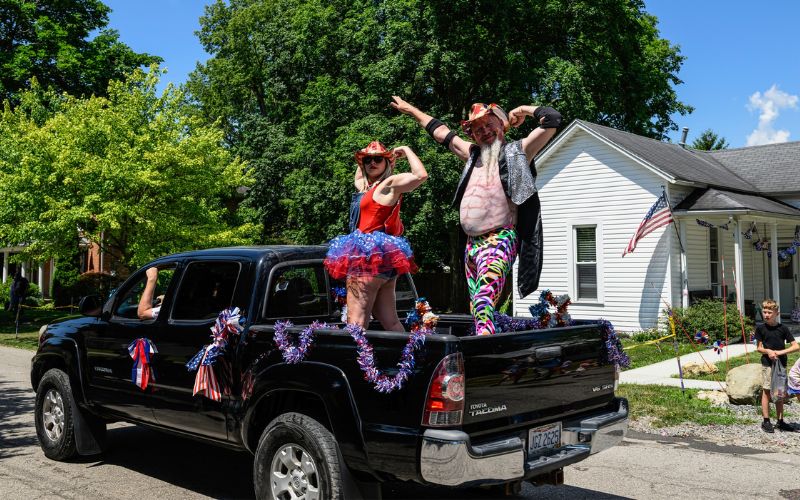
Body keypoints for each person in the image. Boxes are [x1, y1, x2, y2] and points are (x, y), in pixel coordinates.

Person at [391, 97, 561, 335]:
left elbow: (552, 119)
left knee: (483, 300)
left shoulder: (518, 151)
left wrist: (522, 110)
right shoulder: (472, 155)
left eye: (489, 124)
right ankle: (492, 343)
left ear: (502, 124)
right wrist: (410, 110)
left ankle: (482, 346)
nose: (484, 131)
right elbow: (441, 132)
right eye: (477, 129)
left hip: (499, 239)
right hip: (471, 246)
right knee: (479, 308)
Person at [324, 141, 428, 331]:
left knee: (355, 322)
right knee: (390, 321)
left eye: (378, 159)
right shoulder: (365, 188)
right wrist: (365, 157)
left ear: (387, 163)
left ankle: (358, 353)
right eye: (368, 160)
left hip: (366, 259)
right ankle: (409, 350)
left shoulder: (388, 184)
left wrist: (405, 150)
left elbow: (421, 175)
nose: (372, 163)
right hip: (382, 263)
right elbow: (359, 175)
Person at [755, 299, 799, 432]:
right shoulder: (761, 328)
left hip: (781, 365)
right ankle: (766, 420)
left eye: (770, 312)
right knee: (767, 391)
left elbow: (795, 346)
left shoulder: (783, 328)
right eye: (764, 312)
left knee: (779, 392)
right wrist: (768, 351)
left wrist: (780, 352)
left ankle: (780, 421)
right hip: (768, 364)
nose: (766, 315)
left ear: (777, 313)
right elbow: (759, 348)